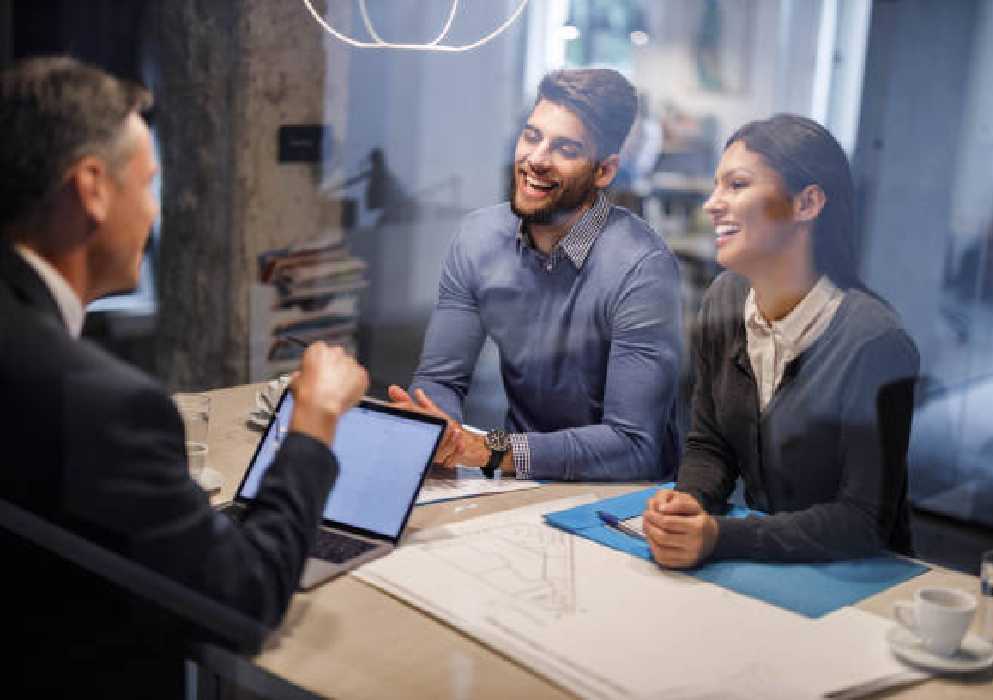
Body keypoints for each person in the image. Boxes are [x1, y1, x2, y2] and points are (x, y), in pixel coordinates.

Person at [0, 57, 368, 693]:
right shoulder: (104, 405)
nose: (153, 212)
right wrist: (312, 424)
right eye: (147, 184)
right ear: (91, 188)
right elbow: (242, 601)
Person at [643, 114, 919, 566]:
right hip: (766, 564)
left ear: (807, 203)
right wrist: (689, 501)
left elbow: (863, 520)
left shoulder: (875, 341)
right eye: (717, 186)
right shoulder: (724, 300)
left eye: (737, 185)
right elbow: (710, 443)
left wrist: (721, 537)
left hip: (856, 585)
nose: (712, 204)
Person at [388, 68, 682, 482]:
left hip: (619, 499)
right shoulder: (478, 238)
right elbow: (440, 379)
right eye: (532, 136)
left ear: (604, 171)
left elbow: (634, 447)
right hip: (517, 481)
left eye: (565, 148)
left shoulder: (642, 268)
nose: (536, 159)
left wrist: (488, 450)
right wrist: (441, 430)